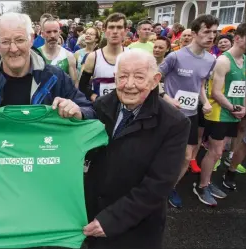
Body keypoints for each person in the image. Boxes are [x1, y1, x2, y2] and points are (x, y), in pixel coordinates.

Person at [83, 49, 190, 249]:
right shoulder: (102, 105)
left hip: (136, 227)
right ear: (115, 78)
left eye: (139, 77)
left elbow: (159, 184)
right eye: (123, 76)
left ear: (155, 80)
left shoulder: (174, 123)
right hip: (94, 219)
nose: (129, 84)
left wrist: (112, 219)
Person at [0, 12, 95, 124]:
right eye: (5, 42)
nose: (13, 49)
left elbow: (89, 110)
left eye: (19, 40)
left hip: (44, 158)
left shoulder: (55, 77)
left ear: (31, 39)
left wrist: (79, 112)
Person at [160, 14, 218, 208]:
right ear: (194, 33)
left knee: (186, 157)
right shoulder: (175, 56)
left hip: (191, 115)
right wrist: (167, 99)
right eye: (207, 32)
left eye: (214, 32)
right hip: (169, 114)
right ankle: (153, 187)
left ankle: (170, 189)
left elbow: (200, 84)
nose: (211, 36)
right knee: (162, 154)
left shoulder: (210, 59)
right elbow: (155, 80)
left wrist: (205, 102)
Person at [202, 23, 246, 196]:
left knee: (219, 152)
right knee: (216, 151)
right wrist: (234, 108)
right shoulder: (223, 61)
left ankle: (208, 183)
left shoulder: (244, 60)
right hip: (219, 113)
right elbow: (215, 92)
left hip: (233, 113)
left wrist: (243, 108)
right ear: (237, 38)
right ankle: (203, 186)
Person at [79, 13, 129, 102]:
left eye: (119, 27)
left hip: (126, 108)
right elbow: (82, 85)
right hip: (101, 110)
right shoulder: (93, 57)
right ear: (104, 31)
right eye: (111, 27)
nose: (115, 31)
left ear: (125, 31)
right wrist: (96, 98)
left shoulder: (132, 55)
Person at [37, 18, 78, 85]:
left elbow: (74, 85)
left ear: (59, 32)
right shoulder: (35, 55)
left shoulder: (69, 56)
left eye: (55, 31)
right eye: (48, 32)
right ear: (42, 34)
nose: (52, 35)